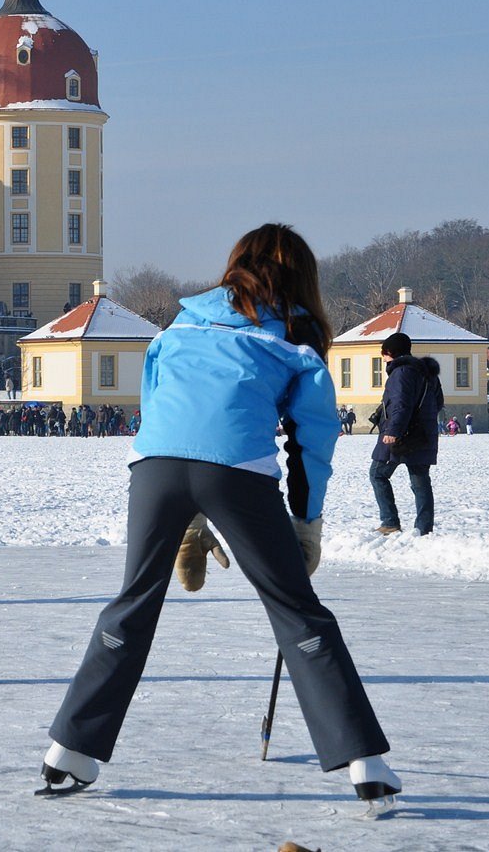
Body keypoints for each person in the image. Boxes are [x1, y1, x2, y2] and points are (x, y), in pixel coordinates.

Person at [40, 223, 399, 810]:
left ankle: (69, 750)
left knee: (133, 601)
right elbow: (314, 437)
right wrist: (306, 522)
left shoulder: (181, 323)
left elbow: (157, 402)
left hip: (154, 464)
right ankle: (364, 760)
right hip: (237, 470)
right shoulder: (294, 337)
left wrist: (185, 515)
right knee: (295, 609)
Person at [369, 332, 443, 537]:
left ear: (391, 352)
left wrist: (393, 430)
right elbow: (438, 402)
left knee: (377, 474)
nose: (383, 357)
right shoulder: (428, 373)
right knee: (420, 480)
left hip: (401, 435)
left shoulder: (401, 372)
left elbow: (401, 404)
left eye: (384, 352)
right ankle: (424, 528)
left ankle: (390, 522)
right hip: (423, 435)